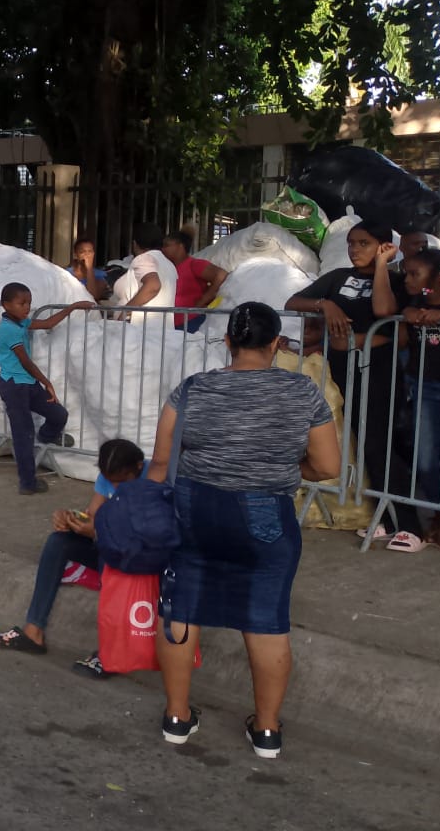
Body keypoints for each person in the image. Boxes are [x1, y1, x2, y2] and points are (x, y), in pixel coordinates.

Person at [148, 301, 339, 759]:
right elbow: (328, 466)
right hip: (265, 514)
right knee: (266, 619)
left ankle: (177, 717)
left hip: (195, 509)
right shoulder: (302, 391)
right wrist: (282, 468)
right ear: (275, 343)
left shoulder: (193, 389)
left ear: (229, 342)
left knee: (182, 608)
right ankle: (267, 731)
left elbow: (161, 462)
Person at [286, 219, 425, 546]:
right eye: (351, 242)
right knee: (360, 444)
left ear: (383, 246)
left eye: (363, 243)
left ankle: (411, 526)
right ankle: (384, 517)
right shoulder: (337, 277)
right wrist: (326, 304)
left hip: (376, 367)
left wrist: (382, 266)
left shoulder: (396, 280)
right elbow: (293, 302)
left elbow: (384, 310)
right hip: (341, 366)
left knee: (379, 444)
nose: (354, 249)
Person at [0, 439, 147, 675]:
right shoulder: (110, 476)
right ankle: (33, 632)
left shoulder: (154, 481)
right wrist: (71, 519)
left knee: (109, 552)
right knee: (58, 542)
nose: (115, 486)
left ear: (139, 467)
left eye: (121, 481)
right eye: (110, 480)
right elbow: (93, 513)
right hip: (110, 544)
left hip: (140, 556)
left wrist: (99, 532)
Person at [0, 282, 93, 494]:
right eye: (21, 303)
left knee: (58, 414)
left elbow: (48, 323)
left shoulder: (20, 323)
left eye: (28, 303)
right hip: (14, 387)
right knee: (24, 435)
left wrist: (73, 307)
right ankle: (28, 483)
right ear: (6, 305)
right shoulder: (8, 329)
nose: (26, 307)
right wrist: (47, 383)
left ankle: (47, 436)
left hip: (28, 384)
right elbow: (26, 363)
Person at [398, 247, 440, 555]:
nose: (408, 280)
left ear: (438, 277)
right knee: (424, 459)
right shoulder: (413, 304)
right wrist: (405, 317)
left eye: (415, 274)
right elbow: (401, 340)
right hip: (423, 387)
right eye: (407, 273)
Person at [108, 222, 178, 325]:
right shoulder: (168, 263)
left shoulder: (144, 258)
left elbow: (153, 285)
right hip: (161, 328)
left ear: (135, 243)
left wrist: (125, 312)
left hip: (139, 328)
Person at [162, 229, 225, 332]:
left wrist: (203, 300)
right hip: (173, 324)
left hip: (191, 322)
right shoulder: (169, 267)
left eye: (166, 245)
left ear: (180, 246)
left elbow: (221, 275)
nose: (163, 249)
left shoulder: (194, 264)